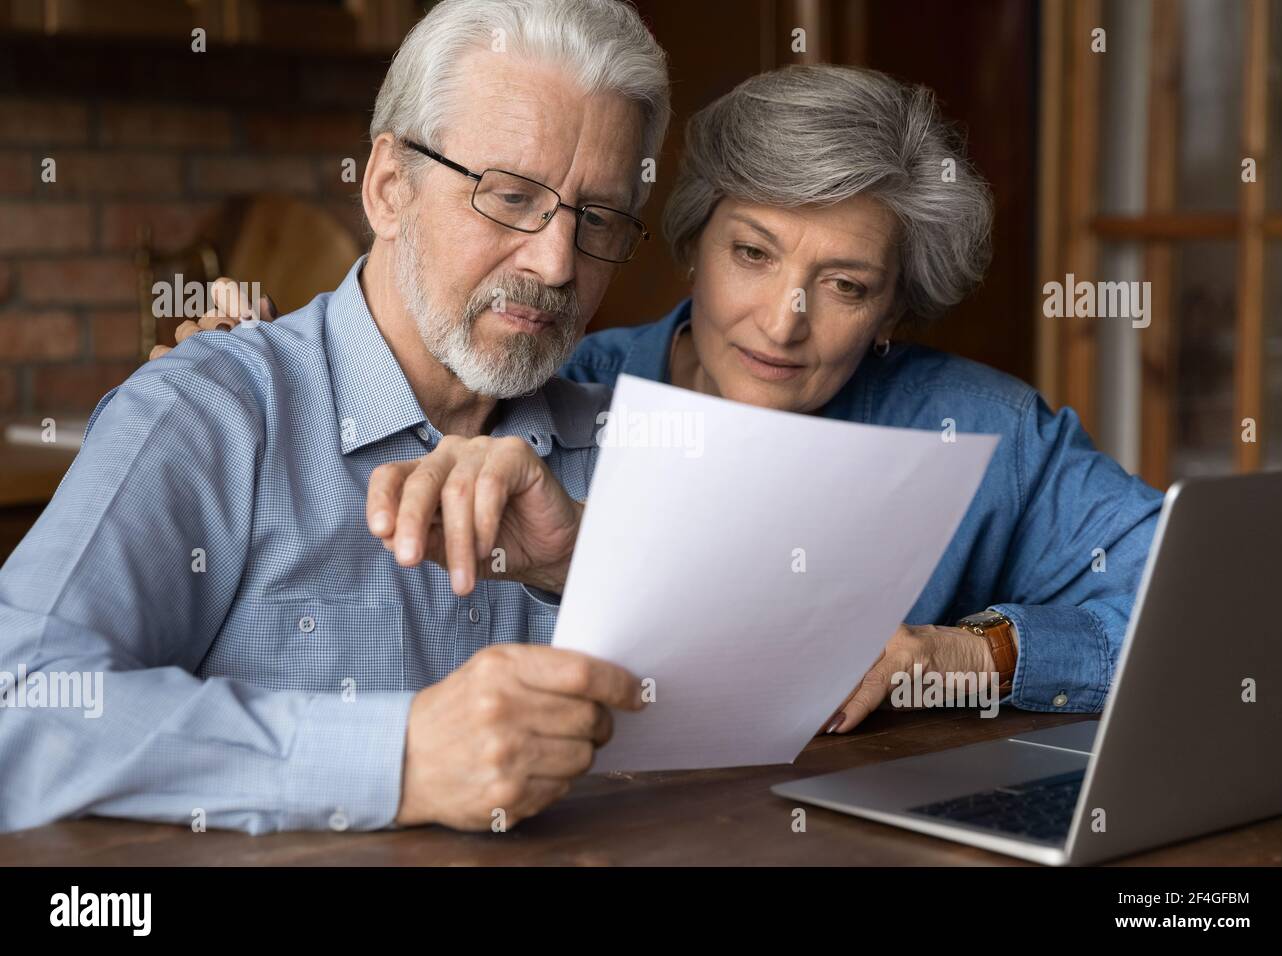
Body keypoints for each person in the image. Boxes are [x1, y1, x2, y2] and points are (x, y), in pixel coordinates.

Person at [173, 64, 1163, 741]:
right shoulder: (556, 387)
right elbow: (376, 489)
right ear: (693, 239)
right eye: (752, 254)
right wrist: (274, 380)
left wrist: (958, 655)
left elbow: (1194, 617)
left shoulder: (983, 428)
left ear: (894, 306)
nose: (783, 321)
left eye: (846, 284)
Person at [0, 0, 670, 835]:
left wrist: (586, 566)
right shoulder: (209, 411)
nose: (556, 262)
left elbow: (762, 701)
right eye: (508, 196)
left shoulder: (634, 444)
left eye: (598, 217)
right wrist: (400, 756)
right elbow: (19, 705)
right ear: (390, 189)